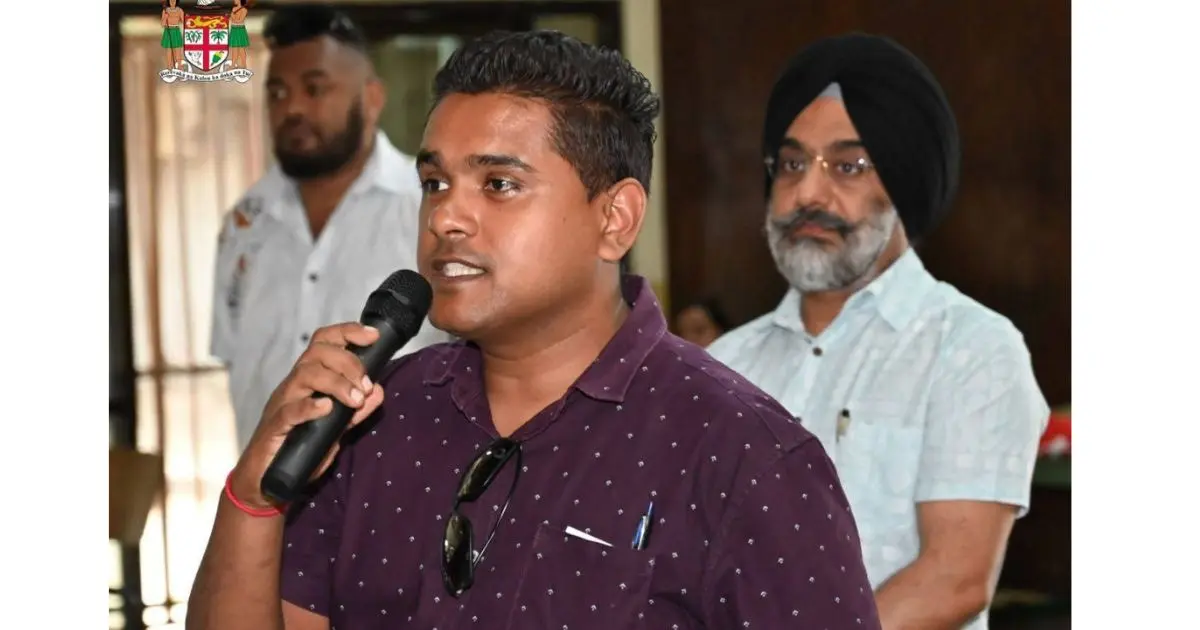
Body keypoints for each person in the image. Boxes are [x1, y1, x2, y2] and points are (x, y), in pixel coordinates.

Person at [187, 29, 881, 630]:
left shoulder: (746, 456)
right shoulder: (374, 419)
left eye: (498, 185)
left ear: (615, 219)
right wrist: (253, 496)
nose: (447, 218)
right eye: (434, 183)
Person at [707, 33, 1049, 630]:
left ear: (905, 181)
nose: (808, 193)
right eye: (791, 164)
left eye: (848, 166)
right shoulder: (724, 364)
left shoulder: (971, 350)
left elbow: (956, 580)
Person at [210, 5, 449, 451]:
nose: (292, 108)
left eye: (315, 88)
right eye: (277, 93)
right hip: (266, 504)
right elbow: (236, 366)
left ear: (372, 99)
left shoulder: (429, 210)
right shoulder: (245, 223)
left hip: (397, 502)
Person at [160, 0, 184, 71]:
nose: (172, 2)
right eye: (171, 0)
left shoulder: (180, 10)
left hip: (176, 30)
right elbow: (162, 24)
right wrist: (165, 17)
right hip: (168, 30)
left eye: (174, 0)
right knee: (169, 50)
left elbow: (184, 21)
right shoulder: (165, 11)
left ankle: (179, 66)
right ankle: (169, 67)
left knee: (178, 49)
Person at [228, 0, 250, 70]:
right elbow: (231, 19)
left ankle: (244, 65)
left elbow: (240, 20)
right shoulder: (234, 9)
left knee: (241, 49)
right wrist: (232, 17)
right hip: (234, 29)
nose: (234, 0)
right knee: (234, 48)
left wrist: (233, 17)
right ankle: (233, 64)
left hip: (240, 30)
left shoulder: (244, 10)